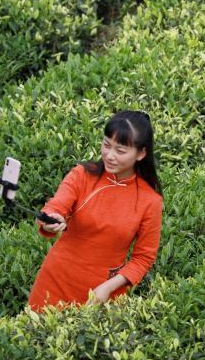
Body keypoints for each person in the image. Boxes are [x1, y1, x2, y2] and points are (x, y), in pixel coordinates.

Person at [27, 110, 163, 312]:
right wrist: (51, 220)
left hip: (103, 293)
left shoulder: (150, 201)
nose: (109, 155)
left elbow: (143, 258)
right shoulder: (82, 175)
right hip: (55, 280)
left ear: (141, 154)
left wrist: (108, 287)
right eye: (106, 145)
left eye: (120, 150)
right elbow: (57, 206)